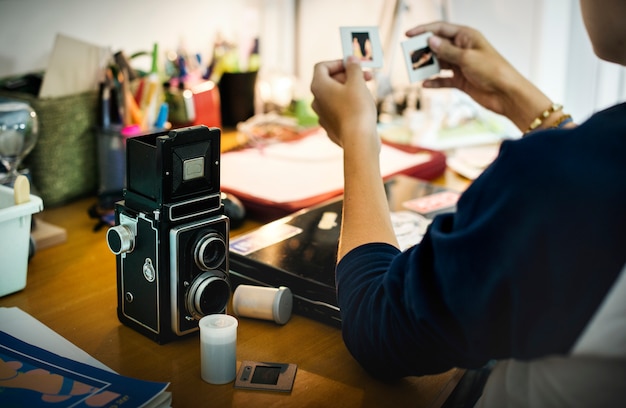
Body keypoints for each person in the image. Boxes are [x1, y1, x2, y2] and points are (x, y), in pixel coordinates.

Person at [310, 1, 626, 406]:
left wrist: (357, 135)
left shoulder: (550, 182)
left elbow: (379, 327)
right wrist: (515, 94)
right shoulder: (579, 183)